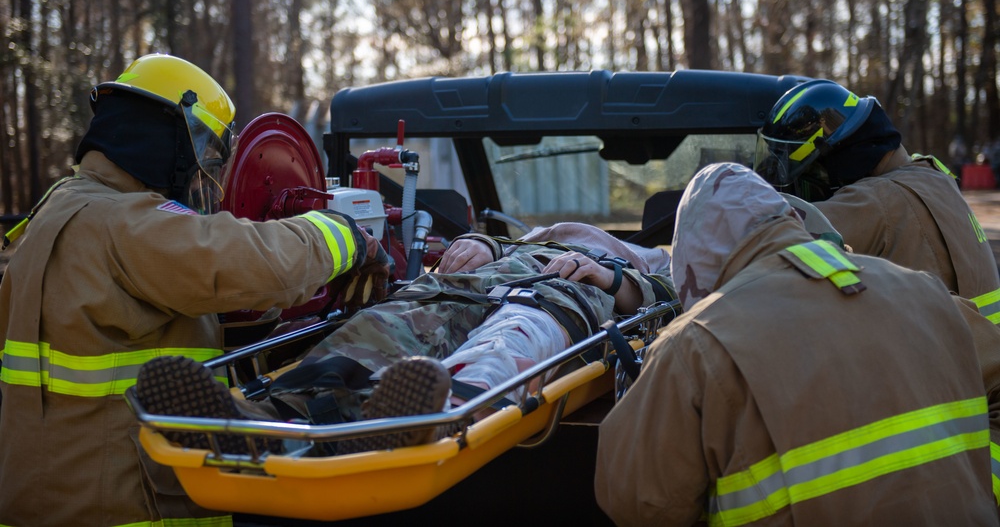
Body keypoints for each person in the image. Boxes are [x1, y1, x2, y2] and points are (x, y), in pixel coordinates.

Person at [0, 54, 390, 527]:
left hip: (50, 494)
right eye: (202, 153)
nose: (203, 176)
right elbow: (249, 261)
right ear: (169, 139)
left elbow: (137, 330)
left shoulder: (58, 210)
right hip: (124, 505)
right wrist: (341, 233)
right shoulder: (123, 224)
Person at [594, 162, 1000, 526]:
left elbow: (638, 504)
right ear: (792, 219)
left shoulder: (695, 348)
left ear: (694, 267)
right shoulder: (927, 294)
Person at [135, 221, 676, 452]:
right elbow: (491, 243)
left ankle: (412, 418)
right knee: (369, 334)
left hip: (554, 300)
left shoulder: (643, 260)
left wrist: (609, 274)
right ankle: (262, 415)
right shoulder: (525, 239)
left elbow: (659, 303)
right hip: (460, 290)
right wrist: (485, 245)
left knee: (503, 350)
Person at [755, 79, 1000, 320]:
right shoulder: (933, 173)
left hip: (952, 353)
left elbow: (775, 234)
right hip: (983, 347)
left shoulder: (878, 202)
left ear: (834, 160)